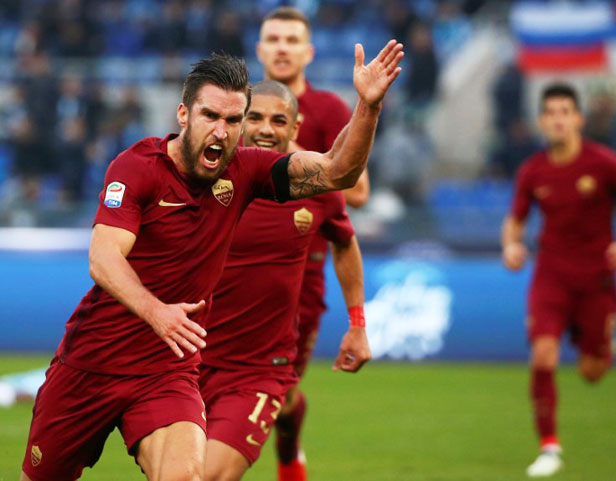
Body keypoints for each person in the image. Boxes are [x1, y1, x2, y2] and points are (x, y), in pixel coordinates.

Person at [20, 40, 403, 481]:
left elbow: (339, 172)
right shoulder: (137, 167)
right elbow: (103, 258)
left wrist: (368, 106)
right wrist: (156, 312)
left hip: (168, 370)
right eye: (211, 116)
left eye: (233, 120)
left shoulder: (246, 171)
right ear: (184, 115)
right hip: (92, 364)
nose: (222, 131)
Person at [200, 80, 370, 481]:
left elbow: (345, 242)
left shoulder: (316, 188)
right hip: (189, 363)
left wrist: (358, 324)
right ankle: (290, 422)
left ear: (295, 129)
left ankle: (288, 442)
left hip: (258, 369)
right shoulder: (203, 178)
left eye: (279, 120)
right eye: (255, 118)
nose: (265, 129)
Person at [501, 83, 616, 478]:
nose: (557, 119)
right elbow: (515, 219)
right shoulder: (533, 170)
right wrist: (512, 245)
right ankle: (549, 447)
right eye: (550, 112)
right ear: (541, 121)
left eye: (565, 111)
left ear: (578, 119)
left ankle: (603, 345)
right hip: (551, 277)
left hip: (596, 281)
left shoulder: (604, 164)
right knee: (544, 356)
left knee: (591, 372)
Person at [255, 8, 369, 479]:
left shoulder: (330, 110)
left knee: (279, 400)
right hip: (231, 271)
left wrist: (297, 171)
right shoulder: (237, 107)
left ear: (308, 51)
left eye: (291, 39)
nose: (282, 47)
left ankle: (288, 449)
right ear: (259, 49)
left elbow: (358, 191)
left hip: (301, 274)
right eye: (273, 39)